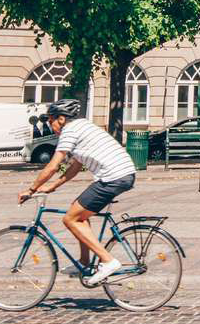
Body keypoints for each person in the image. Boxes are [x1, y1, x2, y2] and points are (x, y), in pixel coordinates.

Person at [17, 102, 135, 286]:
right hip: (122, 174)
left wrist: (31, 189)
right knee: (78, 210)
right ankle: (85, 263)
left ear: (61, 119)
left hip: (113, 177)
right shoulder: (83, 126)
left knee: (70, 219)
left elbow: (53, 165)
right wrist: (53, 186)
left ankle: (108, 260)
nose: (50, 125)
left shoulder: (70, 131)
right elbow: (76, 166)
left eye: (50, 121)